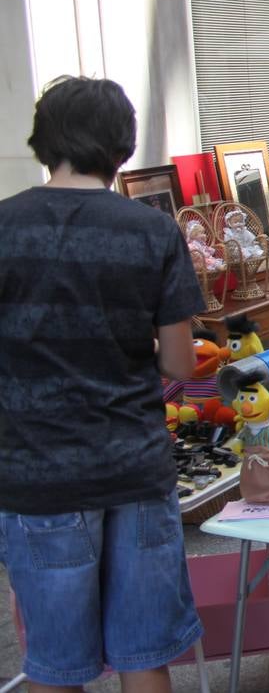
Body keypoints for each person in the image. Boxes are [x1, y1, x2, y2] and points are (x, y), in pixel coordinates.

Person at [0, 76, 205, 692]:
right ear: (121, 147)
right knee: (145, 655)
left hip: (37, 473)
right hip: (134, 467)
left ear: (44, 141)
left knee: (56, 664)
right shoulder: (151, 230)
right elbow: (179, 365)